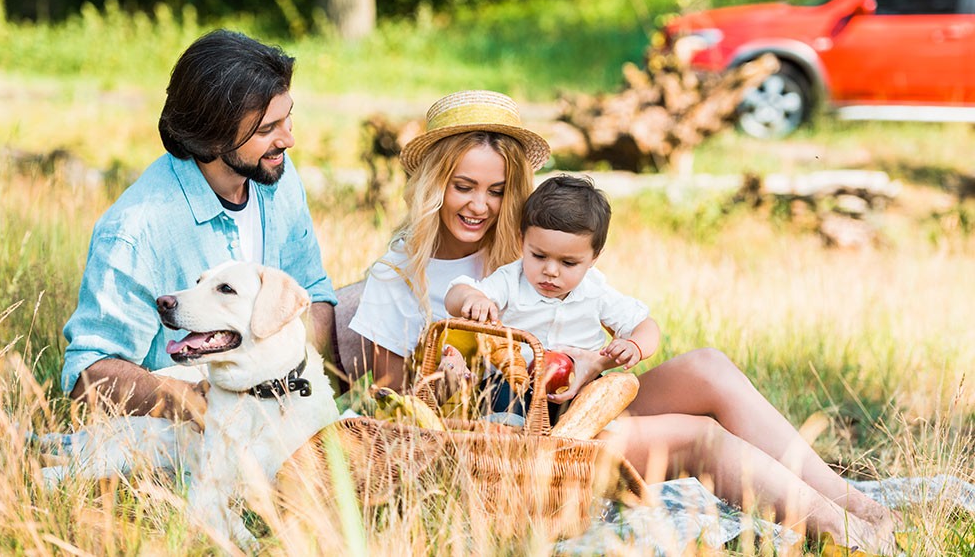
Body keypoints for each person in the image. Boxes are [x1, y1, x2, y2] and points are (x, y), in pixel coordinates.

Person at [346, 89, 898, 554]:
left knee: (708, 366)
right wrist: (453, 382)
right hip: (514, 443)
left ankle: (855, 503)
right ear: (432, 184)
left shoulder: (527, 247)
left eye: (496, 191)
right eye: (462, 186)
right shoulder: (401, 277)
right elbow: (400, 412)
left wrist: (594, 361)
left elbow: (592, 312)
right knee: (700, 437)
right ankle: (844, 534)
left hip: (580, 403)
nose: (480, 206)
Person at [61, 29, 338, 424]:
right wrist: (199, 402)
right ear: (211, 140)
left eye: (287, 118)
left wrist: (282, 384)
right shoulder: (137, 229)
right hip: (183, 429)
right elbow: (88, 374)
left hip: (284, 396)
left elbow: (313, 292)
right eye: (266, 130)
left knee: (379, 301)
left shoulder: (276, 175)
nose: (289, 139)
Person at [444, 174, 659, 380]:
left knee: (596, 399)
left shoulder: (595, 290)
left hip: (578, 380)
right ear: (522, 242)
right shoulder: (510, 280)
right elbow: (456, 294)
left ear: (594, 258)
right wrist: (472, 298)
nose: (551, 271)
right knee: (502, 405)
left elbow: (646, 326)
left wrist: (635, 346)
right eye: (538, 256)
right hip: (512, 381)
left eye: (568, 263)